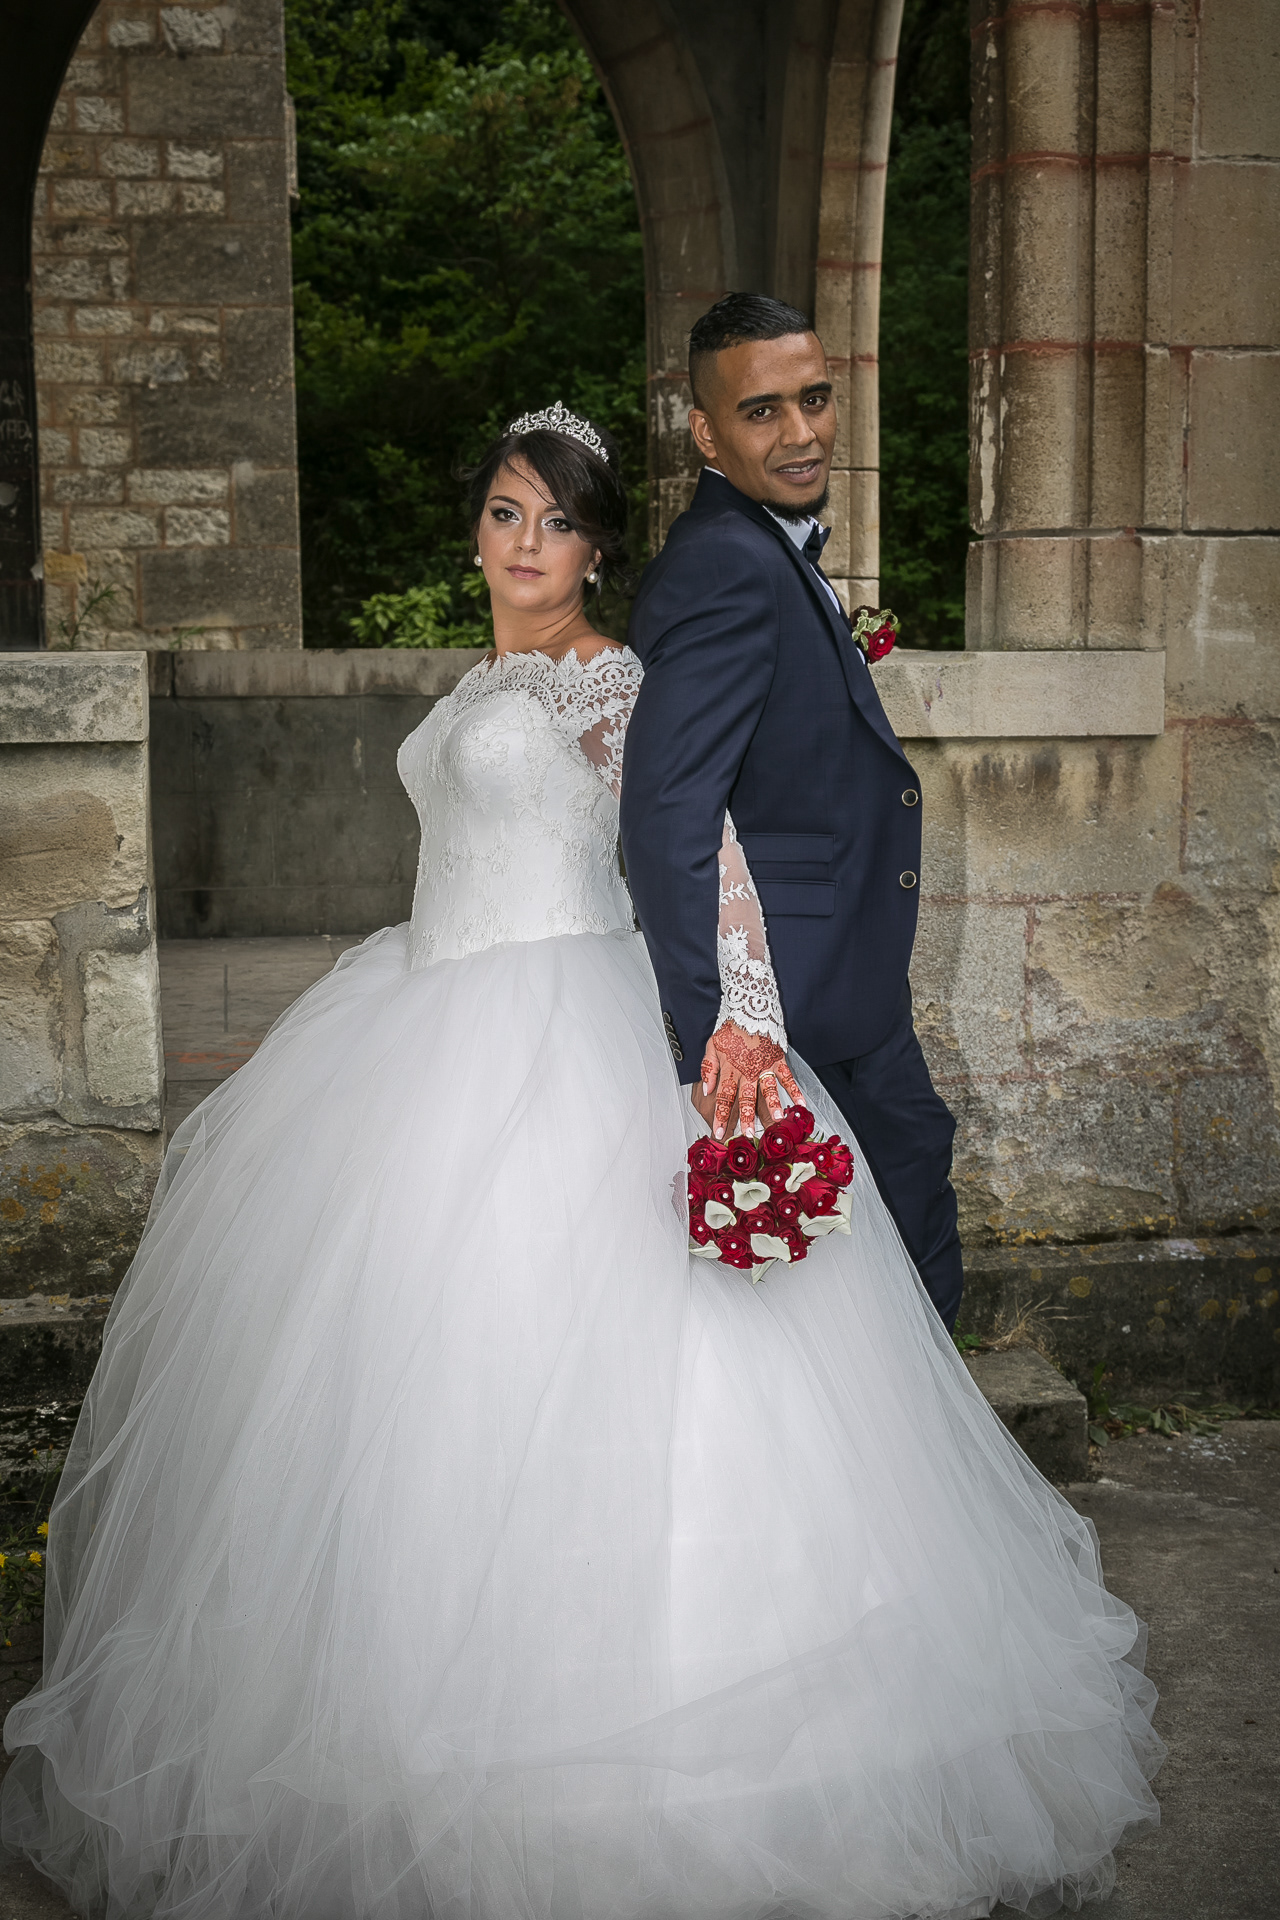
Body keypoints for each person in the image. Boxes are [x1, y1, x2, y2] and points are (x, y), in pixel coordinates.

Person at [3, 404, 1160, 1920]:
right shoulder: (479, 681)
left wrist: (743, 1030)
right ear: (476, 530)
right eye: (505, 512)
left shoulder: (612, 681)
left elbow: (706, 847)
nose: (525, 542)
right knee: (406, 1380)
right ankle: (393, 1725)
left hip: (568, 1019)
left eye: (555, 521)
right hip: (422, 1014)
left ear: (596, 549)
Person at [622, 291, 965, 1329]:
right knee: (883, 1243)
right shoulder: (723, 564)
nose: (801, 431)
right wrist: (717, 1033)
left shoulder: (763, 547)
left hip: (840, 982)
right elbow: (667, 812)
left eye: (813, 398)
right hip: (788, 998)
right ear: (705, 434)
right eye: (762, 411)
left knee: (902, 1202)